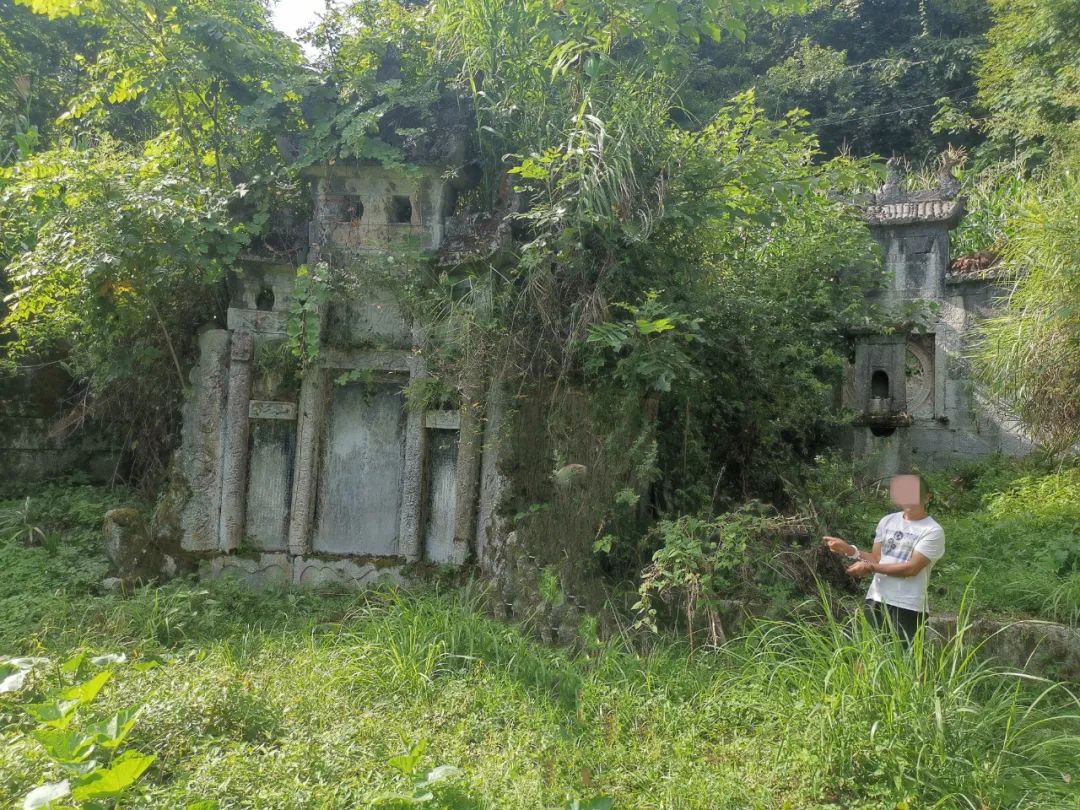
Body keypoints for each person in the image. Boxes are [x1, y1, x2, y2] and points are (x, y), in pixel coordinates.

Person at [823, 474, 945, 643]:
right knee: (866, 656)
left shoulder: (933, 531)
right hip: (876, 598)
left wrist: (870, 568)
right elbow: (877, 558)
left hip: (908, 605)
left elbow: (912, 569)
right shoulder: (888, 521)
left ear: (927, 496)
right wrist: (849, 550)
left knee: (902, 664)